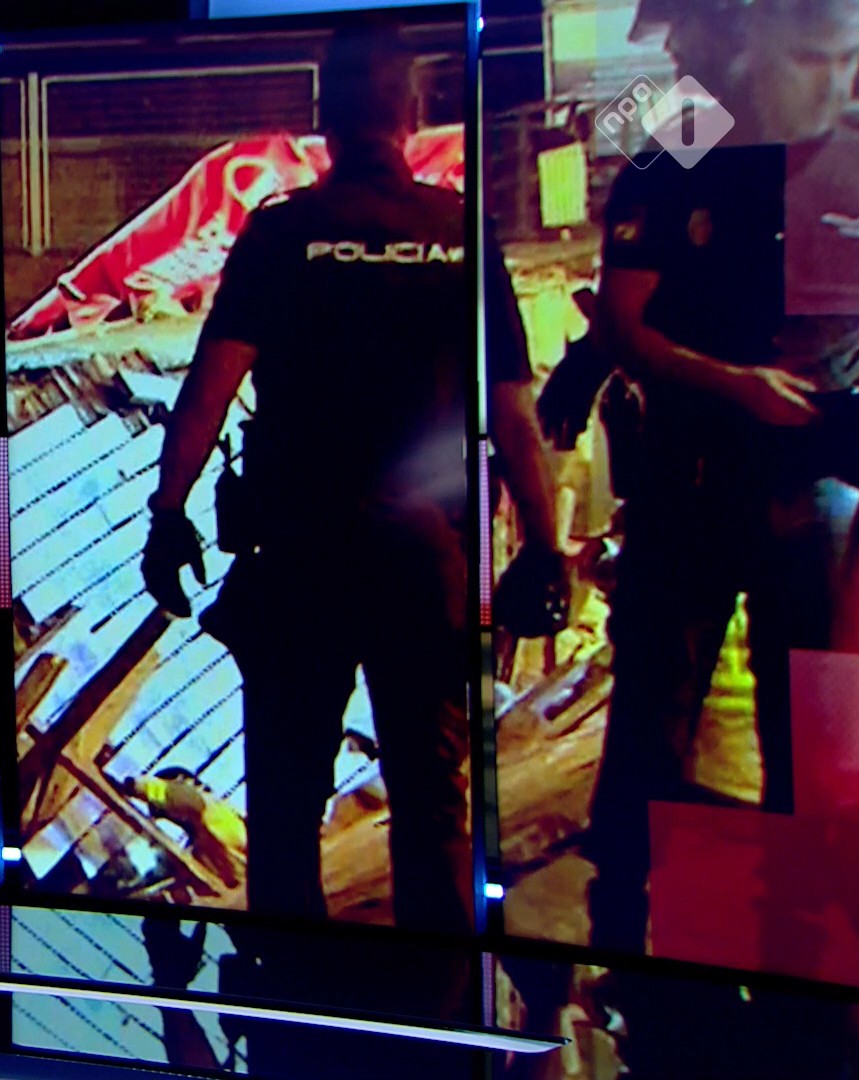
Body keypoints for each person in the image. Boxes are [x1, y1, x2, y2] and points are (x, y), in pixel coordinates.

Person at [141, 18, 563, 941]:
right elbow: (514, 411)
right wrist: (544, 543)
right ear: (412, 111)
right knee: (434, 808)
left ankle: (289, 1001)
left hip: (301, 562)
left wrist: (167, 514)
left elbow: (209, 387)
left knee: (286, 810)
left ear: (322, 116)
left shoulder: (281, 233)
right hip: (429, 566)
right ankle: (438, 1002)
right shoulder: (462, 233)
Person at [583, 0, 859, 954]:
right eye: (809, 59)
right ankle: (623, 944)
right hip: (689, 489)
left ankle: (798, 949)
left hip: (818, 500)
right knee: (650, 725)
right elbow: (623, 324)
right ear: (756, 48)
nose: (830, 81)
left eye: (846, 58)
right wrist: (733, 386)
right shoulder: (677, 150)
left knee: (811, 743)